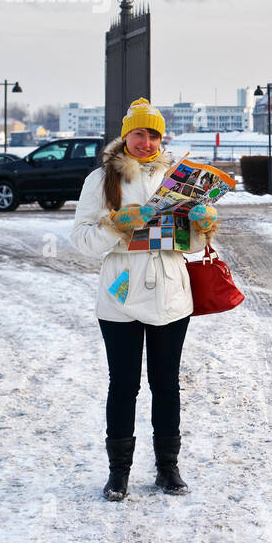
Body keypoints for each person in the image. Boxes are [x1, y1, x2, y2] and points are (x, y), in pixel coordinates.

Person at [70, 98, 220, 501]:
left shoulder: (179, 178)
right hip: (119, 296)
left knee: (166, 385)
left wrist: (204, 227)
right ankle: (118, 472)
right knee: (123, 385)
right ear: (125, 135)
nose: (147, 141)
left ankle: (168, 469)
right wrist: (115, 227)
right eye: (139, 132)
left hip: (171, 296)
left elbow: (190, 245)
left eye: (154, 134)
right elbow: (82, 241)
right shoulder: (102, 181)